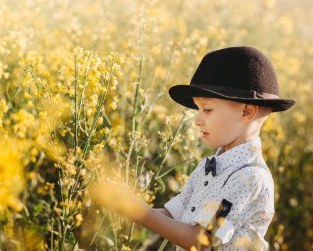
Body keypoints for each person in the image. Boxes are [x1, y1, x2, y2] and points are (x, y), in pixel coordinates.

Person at [90, 46, 296, 250]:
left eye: (207, 109)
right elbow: (174, 215)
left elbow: (200, 240)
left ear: (247, 112)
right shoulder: (209, 167)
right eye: (198, 109)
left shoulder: (248, 177)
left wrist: (139, 211)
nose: (197, 120)